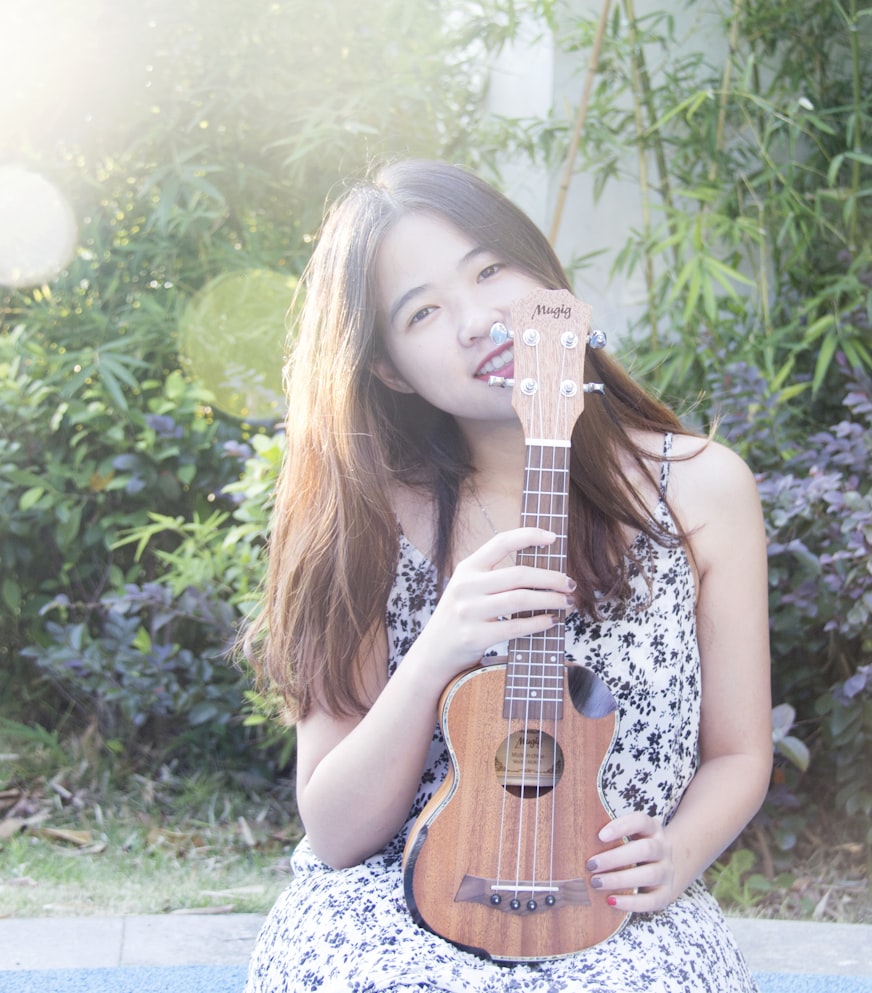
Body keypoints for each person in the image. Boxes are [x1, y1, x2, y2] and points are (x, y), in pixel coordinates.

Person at [241, 159, 772, 992]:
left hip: (611, 897)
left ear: (546, 277)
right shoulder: (369, 513)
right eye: (423, 312)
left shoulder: (705, 488)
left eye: (490, 269)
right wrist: (437, 650)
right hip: (391, 898)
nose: (478, 319)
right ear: (388, 368)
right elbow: (336, 828)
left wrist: (677, 851)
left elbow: (739, 751)